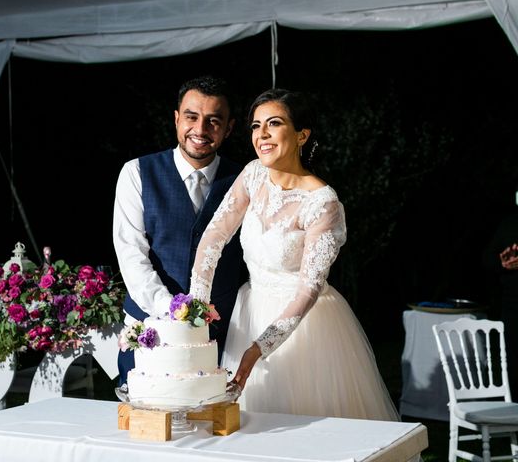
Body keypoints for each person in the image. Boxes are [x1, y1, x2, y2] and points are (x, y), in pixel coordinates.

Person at [189, 88, 399, 420]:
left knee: (304, 429)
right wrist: (195, 306)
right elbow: (215, 233)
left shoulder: (323, 202)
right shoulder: (253, 174)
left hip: (305, 325)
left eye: (274, 123)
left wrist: (260, 347)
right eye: (256, 126)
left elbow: (308, 289)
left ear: (302, 134)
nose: (262, 135)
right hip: (250, 309)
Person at [113, 75, 246, 386]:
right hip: (150, 332)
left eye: (214, 121)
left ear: (229, 128)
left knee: (221, 429)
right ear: (176, 119)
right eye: (191, 117)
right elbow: (131, 255)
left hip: (223, 341)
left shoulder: (244, 180)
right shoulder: (136, 173)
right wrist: (172, 311)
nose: (200, 130)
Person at [483, 194, 518, 394]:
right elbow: (487, 260)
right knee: (514, 362)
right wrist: (502, 262)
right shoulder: (510, 224)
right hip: (513, 304)